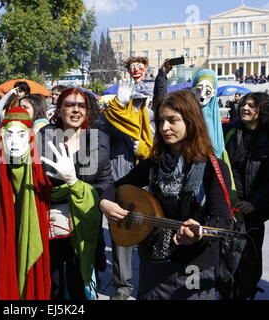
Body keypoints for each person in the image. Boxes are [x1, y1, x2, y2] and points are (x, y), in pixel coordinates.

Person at [99, 89, 232, 300]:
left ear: (191, 121)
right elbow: (115, 186)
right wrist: (105, 202)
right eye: (161, 120)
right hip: (153, 263)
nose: (163, 128)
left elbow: (221, 219)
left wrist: (198, 233)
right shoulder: (154, 164)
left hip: (194, 267)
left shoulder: (214, 167)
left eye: (172, 120)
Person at [39, 88, 113, 300]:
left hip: (85, 226)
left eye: (81, 105)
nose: (75, 110)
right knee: (54, 289)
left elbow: (105, 182)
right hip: (53, 229)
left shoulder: (99, 140)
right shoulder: (45, 137)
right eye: (69, 105)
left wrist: (85, 191)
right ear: (59, 110)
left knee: (81, 287)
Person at [101, 56, 155, 300]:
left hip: (148, 185)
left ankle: (150, 284)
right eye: (134, 99)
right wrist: (116, 108)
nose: (137, 103)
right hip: (121, 179)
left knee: (149, 235)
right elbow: (103, 132)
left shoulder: (152, 117)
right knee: (122, 237)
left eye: (141, 100)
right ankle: (122, 288)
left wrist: (145, 148)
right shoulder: (114, 114)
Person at [0, 107, 52, 300]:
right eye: (8, 135)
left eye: (21, 134)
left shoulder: (43, 166)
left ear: (30, 137)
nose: (14, 142)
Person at [223, 92, 269, 300]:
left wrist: (254, 203)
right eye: (244, 104)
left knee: (250, 257)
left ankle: (246, 293)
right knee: (228, 254)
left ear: (262, 110)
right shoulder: (232, 131)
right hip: (231, 206)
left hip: (255, 209)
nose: (245, 108)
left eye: (252, 105)